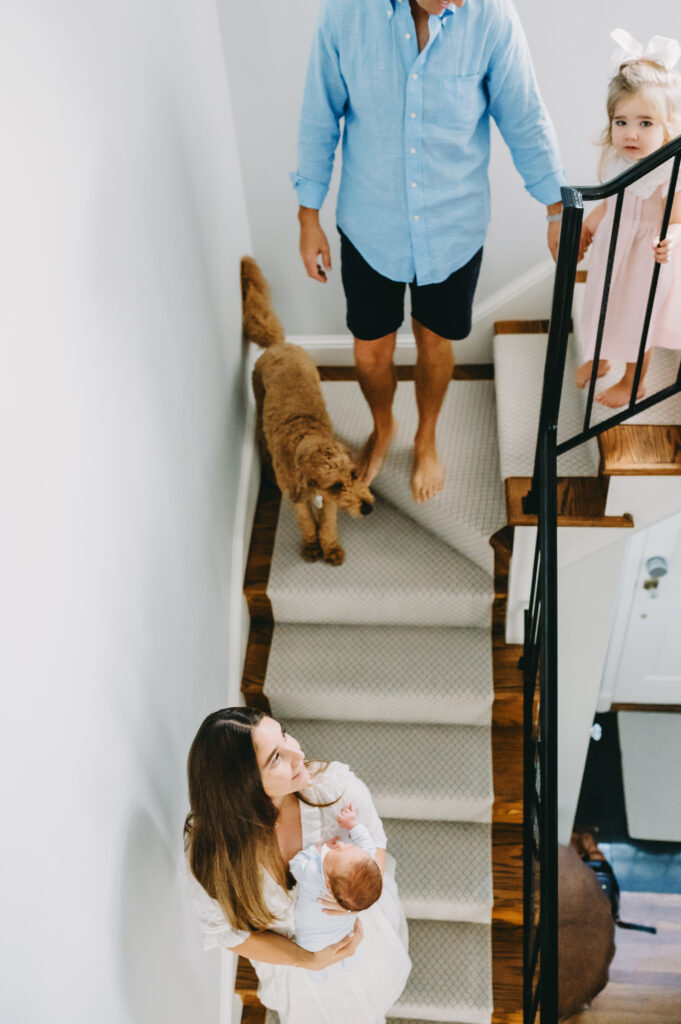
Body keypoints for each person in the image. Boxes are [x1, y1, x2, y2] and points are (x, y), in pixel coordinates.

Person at [292, 0, 566, 502]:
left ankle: (427, 435)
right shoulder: (343, 15)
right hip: (369, 225)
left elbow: (524, 114)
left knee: (435, 342)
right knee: (369, 349)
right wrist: (307, 215)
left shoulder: (493, 16)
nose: (459, 1)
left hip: (453, 226)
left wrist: (555, 210)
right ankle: (384, 425)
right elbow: (319, 115)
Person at [184, 708, 411, 1024]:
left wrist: (353, 904)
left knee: (373, 989)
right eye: (276, 757)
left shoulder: (337, 789)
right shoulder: (211, 853)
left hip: (356, 933)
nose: (299, 753)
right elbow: (229, 934)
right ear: (242, 786)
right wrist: (307, 959)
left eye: (285, 734)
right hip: (296, 969)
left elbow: (374, 842)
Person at [575, 29, 681, 408]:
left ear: (669, 124)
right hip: (614, 245)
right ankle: (601, 355)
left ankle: (633, 381)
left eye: (645, 123)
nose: (631, 133)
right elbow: (616, 198)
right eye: (621, 122)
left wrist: (670, 239)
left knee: (638, 315)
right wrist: (590, 223)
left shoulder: (670, 167)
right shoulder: (622, 158)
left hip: (647, 252)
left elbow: (677, 214)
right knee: (606, 301)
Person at [290, 803, 382, 981]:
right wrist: (353, 825)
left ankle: (317, 975)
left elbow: (296, 864)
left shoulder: (313, 876)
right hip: (343, 930)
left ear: (328, 884)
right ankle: (350, 963)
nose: (340, 845)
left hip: (311, 937)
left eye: (333, 854)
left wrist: (315, 851)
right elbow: (367, 845)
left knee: (311, 954)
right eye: (347, 847)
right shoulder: (363, 859)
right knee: (350, 941)